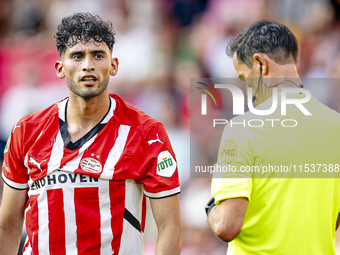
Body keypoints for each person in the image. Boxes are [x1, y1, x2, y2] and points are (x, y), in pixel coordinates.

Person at [0, 12, 182, 255]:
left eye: (98, 55)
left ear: (113, 65)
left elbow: (170, 227)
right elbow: (9, 225)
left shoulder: (146, 133)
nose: (88, 65)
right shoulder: (26, 131)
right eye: (77, 56)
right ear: (59, 68)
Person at [206, 20, 340, 254]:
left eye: (243, 77)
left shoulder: (242, 129)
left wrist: (212, 211)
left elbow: (227, 225)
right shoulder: (336, 126)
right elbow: (333, 218)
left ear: (260, 64)